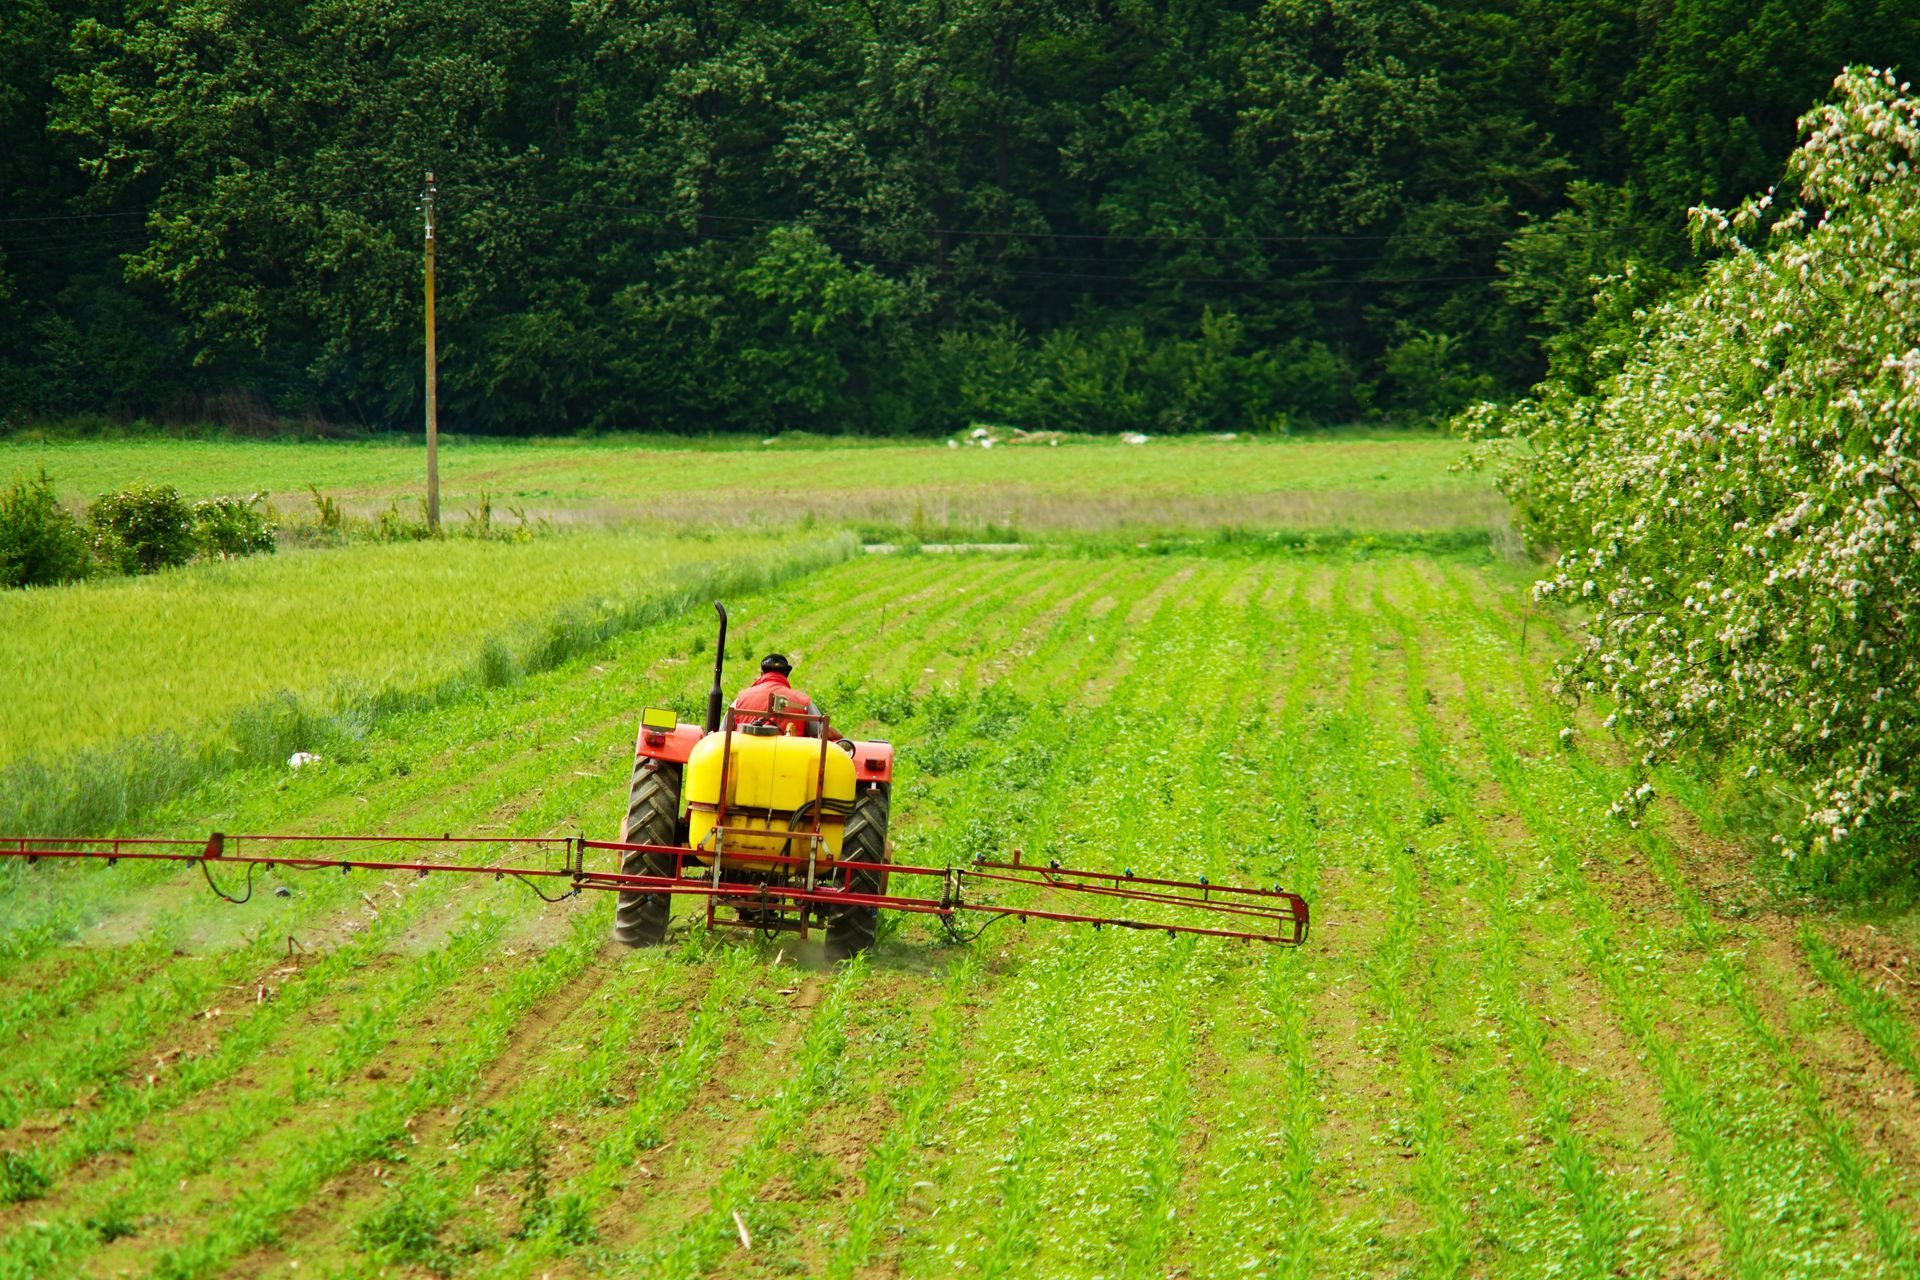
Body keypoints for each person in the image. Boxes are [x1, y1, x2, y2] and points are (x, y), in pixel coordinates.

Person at [733, 653, 844, 741]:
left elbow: (722, 732)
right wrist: (839, 735)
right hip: (790, 764)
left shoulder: (741, 698)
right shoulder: (802, 700)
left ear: (762, 673)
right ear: (786, 675)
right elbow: (822, 732)